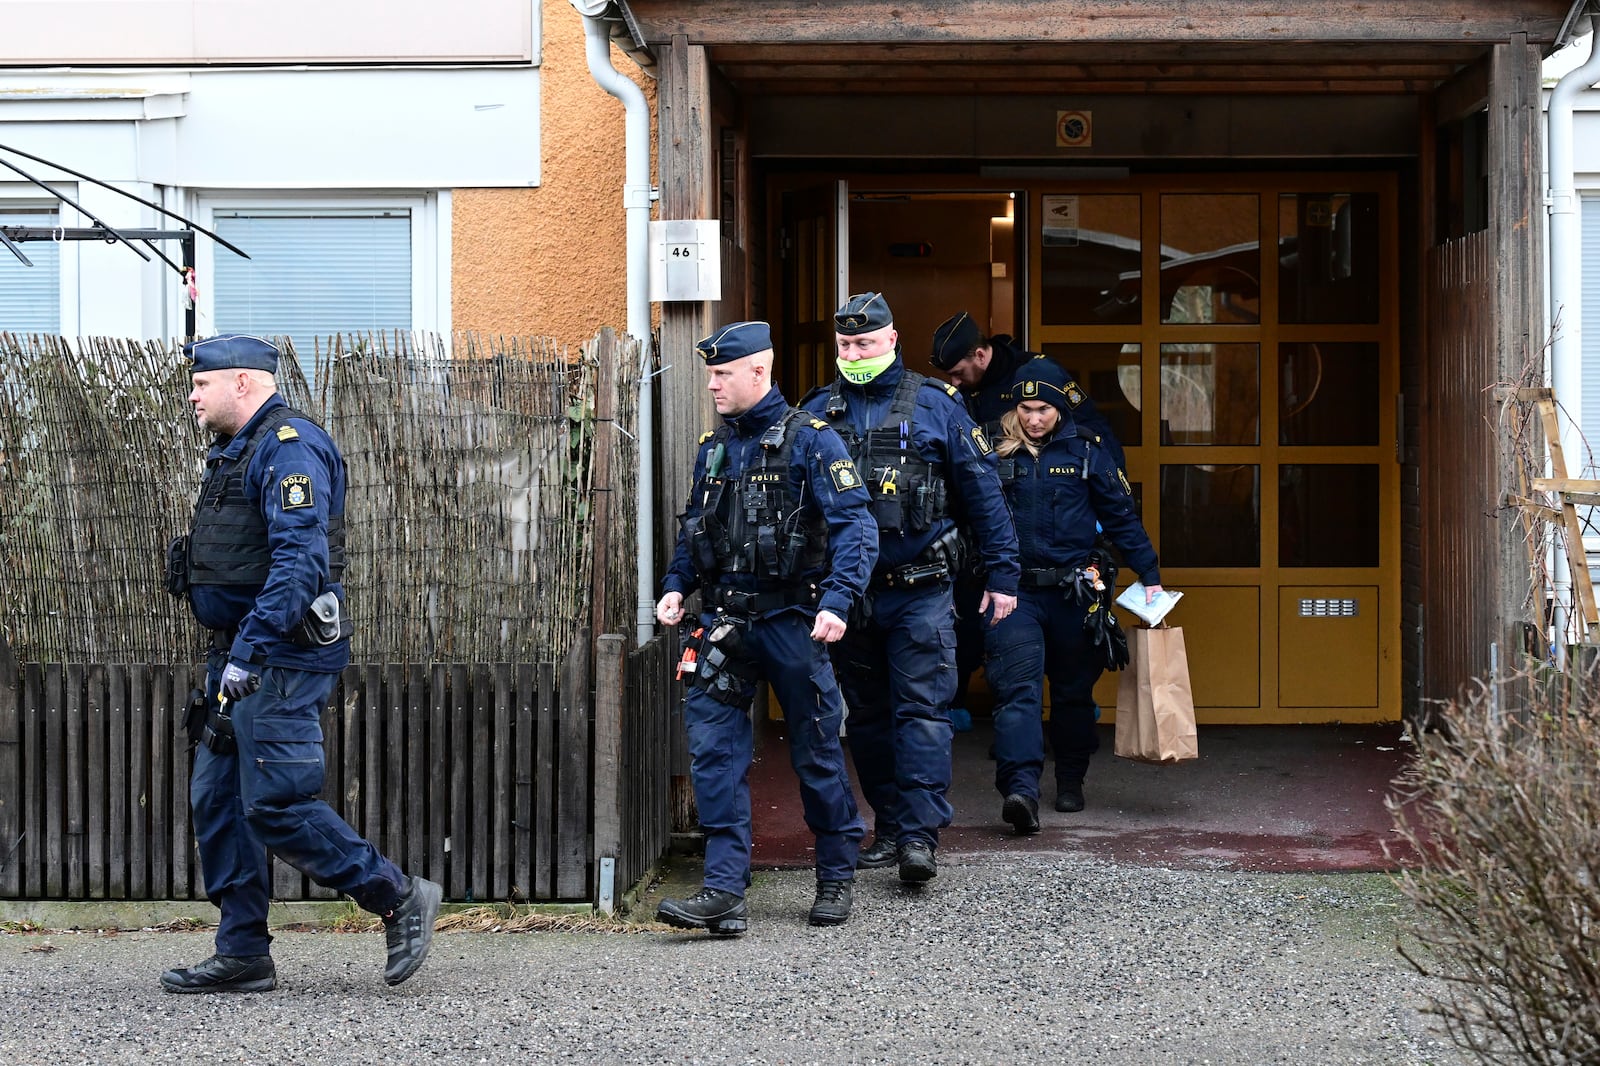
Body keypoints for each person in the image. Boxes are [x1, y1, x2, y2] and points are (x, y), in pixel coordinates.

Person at [163, 333, 440, 993]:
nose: (193, 395)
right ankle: (243, 953)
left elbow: (300, 563)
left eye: (203, 383)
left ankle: (397, 896)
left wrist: (251, 650)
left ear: (242, 383)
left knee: (276, 803)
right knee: (217, 800)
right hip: (236, 655)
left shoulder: (293, 449)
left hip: (278, 658)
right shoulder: (236, 453)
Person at [654, 321, 877, 934]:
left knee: (817, 749)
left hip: (795, 621)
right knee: (713, 753)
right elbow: (696, 527)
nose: (713, 385)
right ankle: (725, 891)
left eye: (723, 374)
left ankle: (835, 874)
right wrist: (676, 585)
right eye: (710, 375)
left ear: (760, 370)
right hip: (727, 623)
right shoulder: (714, 447)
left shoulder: (814, 441)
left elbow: (857, 527)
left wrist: (838, 600)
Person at [802, 293, 1019, 883]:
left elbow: (983, 495)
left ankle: (921, 836)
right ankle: (891, 826)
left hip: (921, 590)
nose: (854, 353)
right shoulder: (818, 411)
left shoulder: (936, 405)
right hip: (851, 597)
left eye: (865, 342)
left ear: (891, 339)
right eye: (845, 344)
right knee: (867, 717)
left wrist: (1003, 575)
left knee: (922, 711)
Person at [984, 358, 1162, 831]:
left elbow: (1122, 518)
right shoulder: (994, 451)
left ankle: (1069, 782)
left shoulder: (1088, 452)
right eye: (1026, 408)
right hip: (1014, 592)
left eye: (1043, 409)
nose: (1033, 418)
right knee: (1017, 694)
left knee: (1072, 694)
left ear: (1060, 409)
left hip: (1074, 591)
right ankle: (1020, 790)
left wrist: (1150, 574)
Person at [929, 311, 1127, 720]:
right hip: (986, 525)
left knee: (1064, 629)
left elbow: (1096, 437)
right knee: (970, 610)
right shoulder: (958, 393)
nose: (953, 382)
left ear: (981, 355)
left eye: (958, 372)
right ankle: (970, 705)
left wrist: (1101, 511)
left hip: (1052, 523)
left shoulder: (1038, 374)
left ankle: (1072, 708)